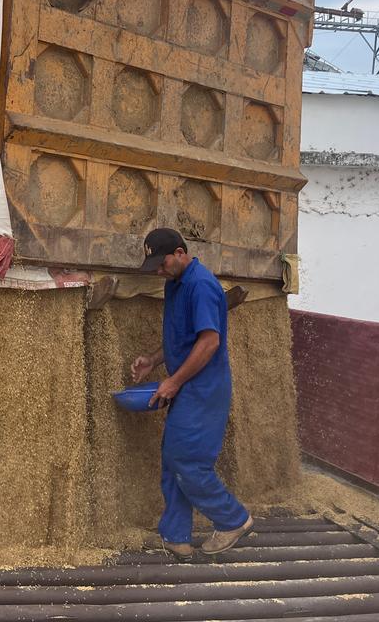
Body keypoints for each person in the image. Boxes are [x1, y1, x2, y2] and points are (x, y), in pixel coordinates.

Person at [130, 228, 253, 561]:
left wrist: (174, 381)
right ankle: (176, 536)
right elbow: (182, 338)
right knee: (173, 458)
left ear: (181, 253)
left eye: (162, 262)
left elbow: (209, 342)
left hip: (203, 388)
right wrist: (153, 361)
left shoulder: (201, 285)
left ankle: (233, 519)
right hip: (188, 385)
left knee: (187, 462)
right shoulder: (175, 284)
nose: (158, 270)